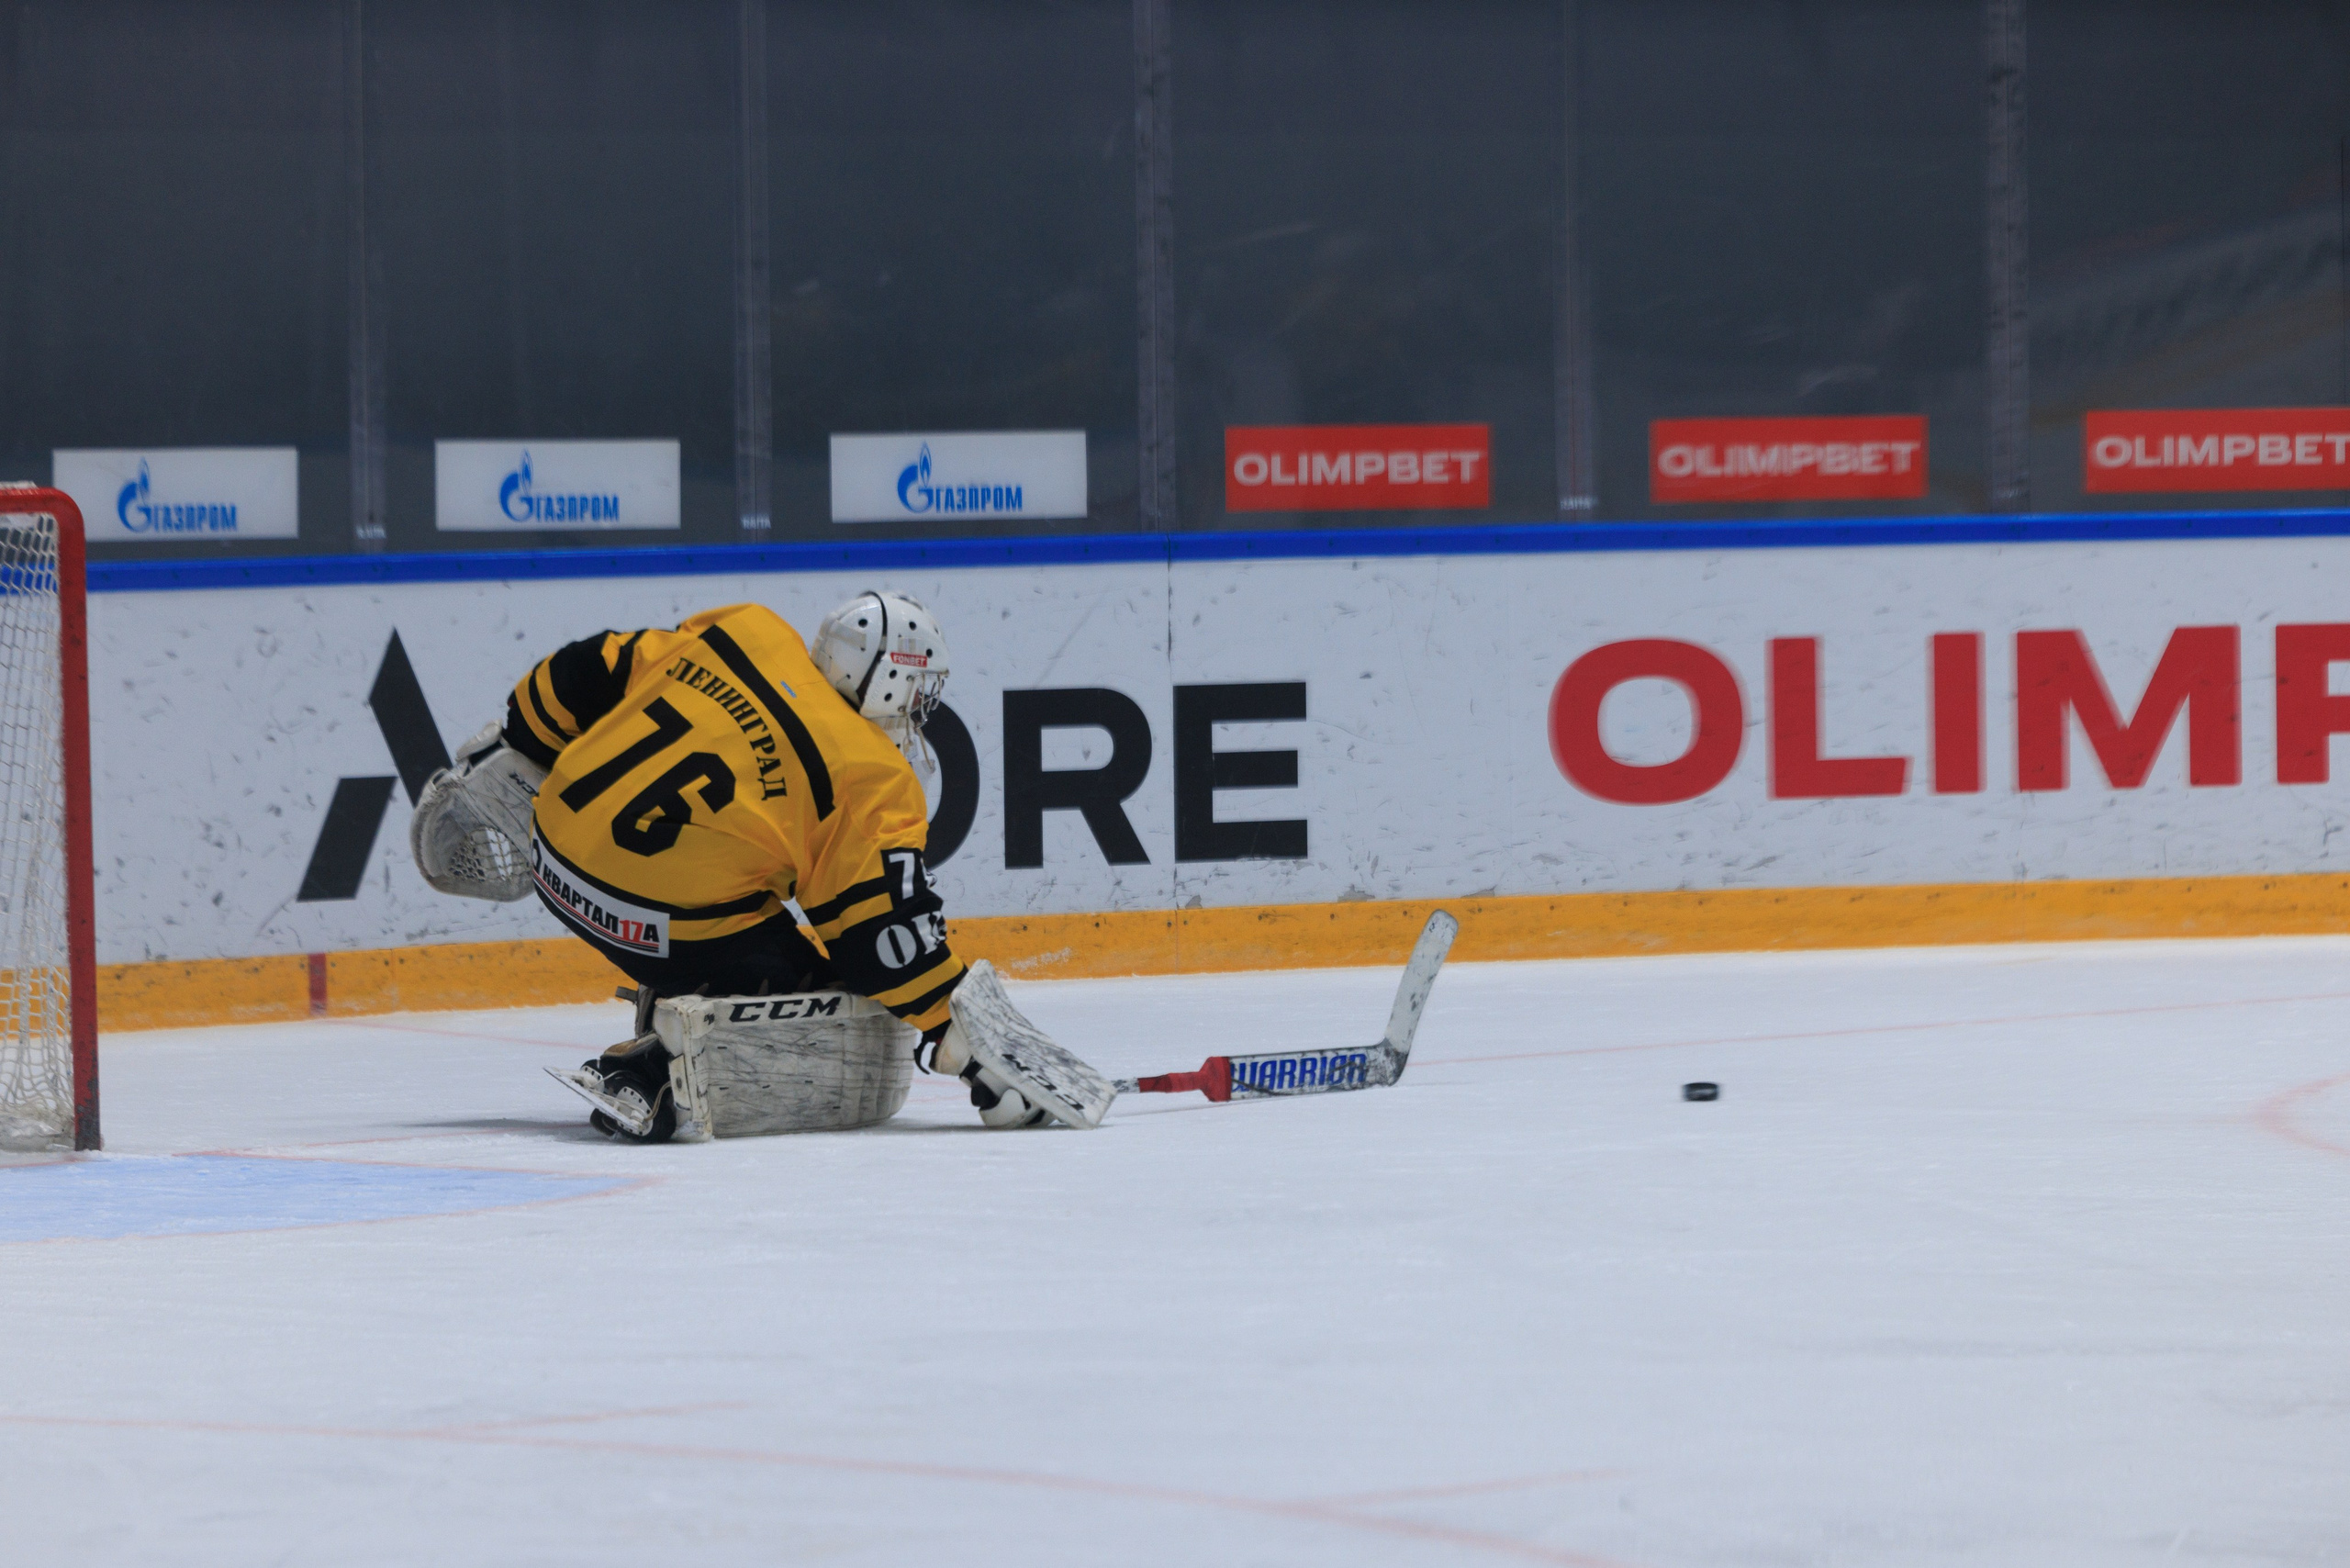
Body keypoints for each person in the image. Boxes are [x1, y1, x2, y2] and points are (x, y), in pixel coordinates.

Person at [411, 591, 1049, 1136]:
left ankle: (684, 1003)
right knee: (836, 1001)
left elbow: (592, 667)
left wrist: (526, 736)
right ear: (890, 680)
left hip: (548, 850)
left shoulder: (747, 630)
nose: (917, 706)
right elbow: (882, 939)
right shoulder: (870, 772)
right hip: (654, 924)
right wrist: (967, 1044)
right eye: (916, 688)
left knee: (733, 897)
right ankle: (660, 1073)